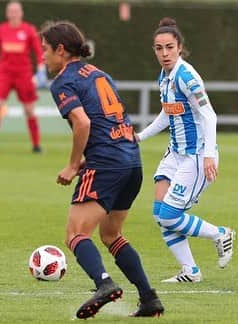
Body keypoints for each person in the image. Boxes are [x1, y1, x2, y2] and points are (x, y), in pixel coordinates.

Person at [40, 21, 164, 318]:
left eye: (45, 50)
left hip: (107, 162)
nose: (42, 56)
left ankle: (104, 284)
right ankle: (148, 298)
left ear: (60, 50)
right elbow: (113, 119)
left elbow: (83, 123)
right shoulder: (99, 74)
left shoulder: (62, 81)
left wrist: (72, 165)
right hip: (131, 160)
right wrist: (91, 156)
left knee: (75, 233)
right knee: (111, 234)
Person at [136, 17, 235, 283]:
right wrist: (139, 137)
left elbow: (209, 115)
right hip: (175, 153)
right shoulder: (164, 77)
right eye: (159, 48)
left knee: (170, 215)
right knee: (160, 214)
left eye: (169, 47)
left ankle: (220, 233)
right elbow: (167, 114)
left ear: (179, 47)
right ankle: (191, 271)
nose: (164, 53)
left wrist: (209, 154)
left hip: (196, 155)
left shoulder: (187, 76)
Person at [0, 0, 46, 153]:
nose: (13, 14)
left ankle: (36, 145)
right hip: (3, 74)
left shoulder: (29, 30)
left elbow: (38, 52)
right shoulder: (1, 30)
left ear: (21, 13)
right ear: (7, 13)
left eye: (16, 11)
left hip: (23, 74)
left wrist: (41, 70)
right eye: (10, 11)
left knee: (29, 110)